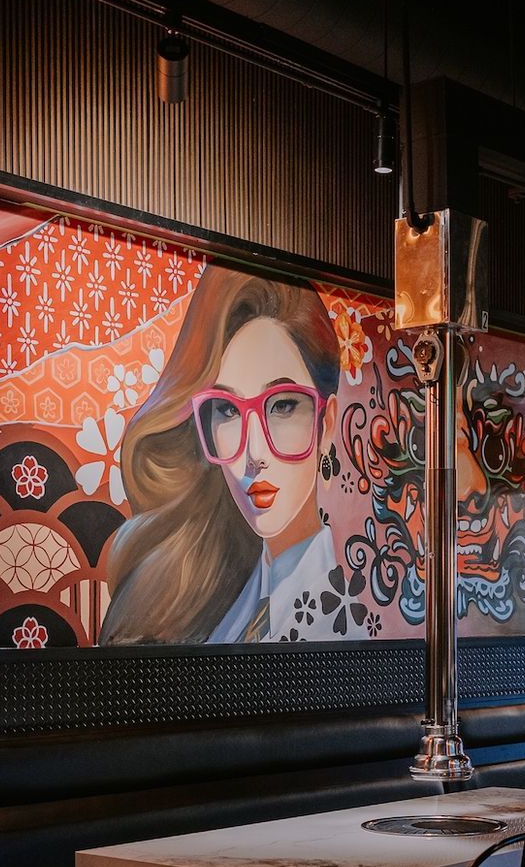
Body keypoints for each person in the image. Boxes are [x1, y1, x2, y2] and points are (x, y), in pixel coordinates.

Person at [102, 267, 363, 644]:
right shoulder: (223, 595)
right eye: (226, 410)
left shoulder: (335, 627)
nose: (253, 454)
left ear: (327, 422)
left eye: (284, 406)